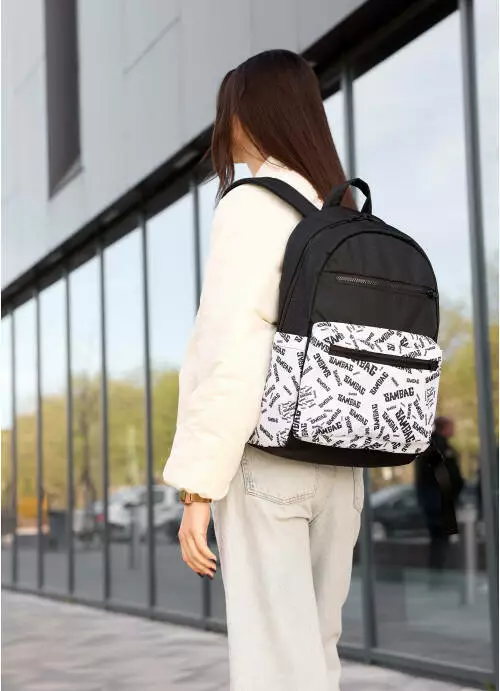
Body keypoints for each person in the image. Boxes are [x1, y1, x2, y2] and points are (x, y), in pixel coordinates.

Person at [162, 50, 361, 691]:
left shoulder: (251, 205)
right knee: (316, 660)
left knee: (275, 669)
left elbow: (233, 352)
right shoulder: (341, 210)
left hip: (270, 464)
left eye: (229, 110)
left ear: (250, 114)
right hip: (341, 468)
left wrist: (198, 489)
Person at [415, 416, 464, 584]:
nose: (454, 430)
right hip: (442, 500)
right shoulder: (440, 447)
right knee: (442, 539)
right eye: (451, 426)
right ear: (445, 428)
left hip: (435, 500)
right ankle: (439, 577)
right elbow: (446, 476)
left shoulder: (427, 446)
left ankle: (438, 576)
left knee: (439, 539)